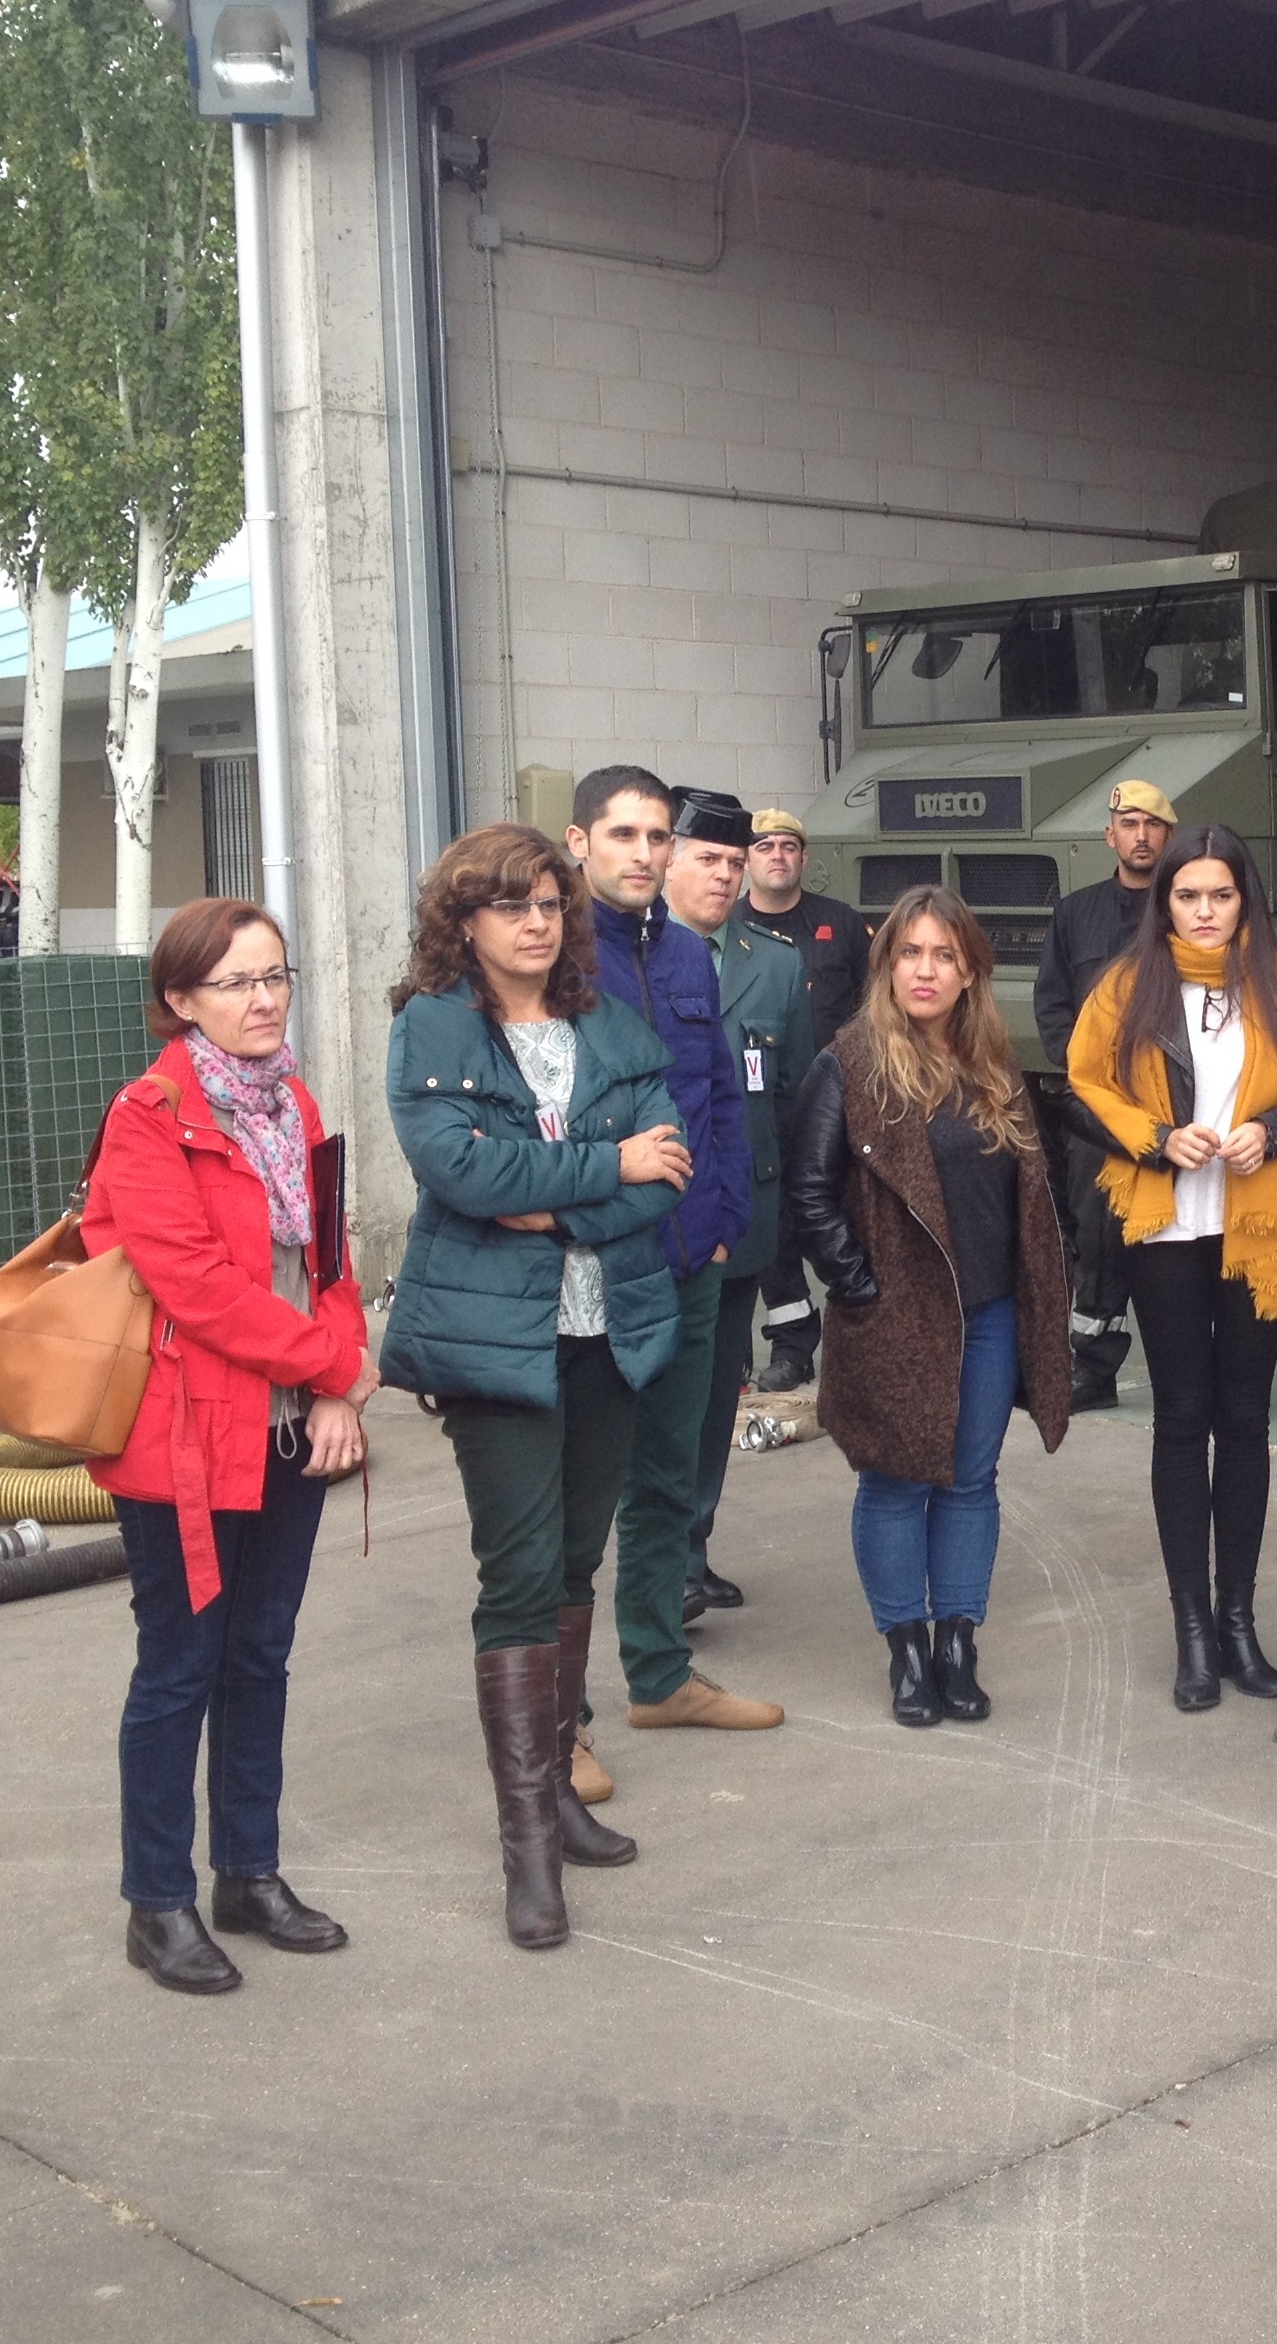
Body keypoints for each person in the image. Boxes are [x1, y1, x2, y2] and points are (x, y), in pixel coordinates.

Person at [380, 824, 694, 1949]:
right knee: (516, 1573)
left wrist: (553, 1200)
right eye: (510, 904)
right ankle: (525, 1848)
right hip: (492, 1343)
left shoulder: (611, 1025)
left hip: (607, 1331)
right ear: (462, 921)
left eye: (550, 903)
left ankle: (559, 1791)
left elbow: (671, 1172)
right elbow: (462, 1171)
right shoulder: (431, 1026)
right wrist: (608, 1164)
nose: (534, 921)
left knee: (573, 1561)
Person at [87, 900, 376, 1994]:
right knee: (180, 1663)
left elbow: (332, 1253)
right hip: (186, 1438)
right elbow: (198, 1288)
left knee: (260, 1652)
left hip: (290, 1423)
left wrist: (332, 1378)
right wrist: (331, 1368)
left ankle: (246, 1874)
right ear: (180, 1000)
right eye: (236, 982)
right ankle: (155, 1901)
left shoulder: (291, 1096)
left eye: (276, 976)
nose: (263, 999)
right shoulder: (149, 1116)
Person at [1067, 822, 1277, 1711]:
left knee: (1247, 1419)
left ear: (1244, 898)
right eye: (1188, 895)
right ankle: (1191, 1628)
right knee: (1183, 1419)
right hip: (1168, 1225)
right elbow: (1080, 1086)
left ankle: (1238, 1623)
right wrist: (1154, 1136)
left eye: (1221, 894)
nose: (1205, 911)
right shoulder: (1127, 982)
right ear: (1165, 899)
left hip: (1260, 1219)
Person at [788, 886, 1071, 1723]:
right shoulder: (847, 1063)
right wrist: (858, 1286)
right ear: (886, 966)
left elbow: (1028, 1189)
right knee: (895, 1480)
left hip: (987, 1312)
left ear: (970, 972)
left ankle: (958, 1641)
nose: (925, 969)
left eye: (943, 954)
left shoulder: (992, 1065)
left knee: (970, 1479)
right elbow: (808, 1193)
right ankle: (905, 1648)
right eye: (909, 952)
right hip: (896, 1315)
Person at [568, 766, 781, 1738]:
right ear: (580, 843)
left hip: (691, 1263)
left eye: (658, 836)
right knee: (574, 1502)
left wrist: (725, 1214)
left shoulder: (690, 959)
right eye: (624, 835)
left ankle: (659, 1674)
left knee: (664, 1480)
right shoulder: (553, 960)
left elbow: (720, 1101)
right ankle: (555, 1716)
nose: (644, 854)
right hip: (595, 1273)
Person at [659, 786, 817, 1623]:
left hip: (744, 1214)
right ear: (668, 861)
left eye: (733, 860)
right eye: (707, 859)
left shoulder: (775, 961)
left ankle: (691, 1549)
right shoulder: (628, 958)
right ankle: (658, 1559)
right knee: (663, 1397)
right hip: (659, 1221)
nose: (723, 876)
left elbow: (792, 1091)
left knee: (720, 1391)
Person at [1034, 779, 1179, 1411]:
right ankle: (1092, 1371)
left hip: (1176, 1110)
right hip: (1098, 1113)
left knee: (1177, 1235)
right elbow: (1053, 1005)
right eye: (1129, 823)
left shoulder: (1185, 910)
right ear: (1110, 835)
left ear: (1167, 836)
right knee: (1096, 1236)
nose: (1141, 835)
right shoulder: (1076, 914)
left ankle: (1184, 1371)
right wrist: (1090, 1077)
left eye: (1152, 824)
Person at [736, 806, 872, 1392]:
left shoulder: (840, 923)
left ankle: (866, 1334)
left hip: (838, 1105)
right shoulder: (728, 928)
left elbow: (876, 1007)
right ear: (748, 859)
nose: (776, 855)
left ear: (804, 859)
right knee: (772, 1229)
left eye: (788, 846)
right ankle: (791, 1346)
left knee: (847, 1218)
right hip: (758, 1103)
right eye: (764, 846)